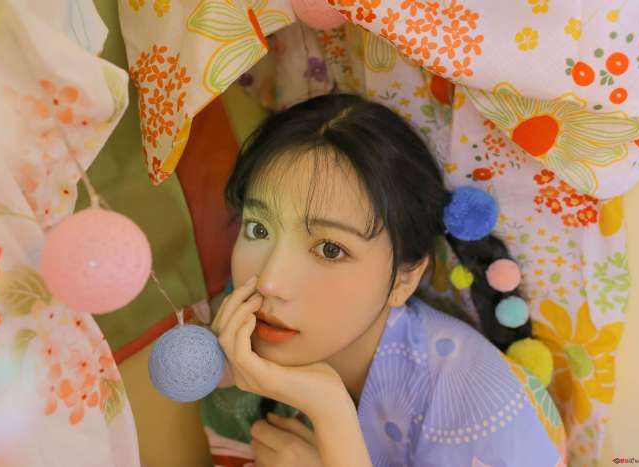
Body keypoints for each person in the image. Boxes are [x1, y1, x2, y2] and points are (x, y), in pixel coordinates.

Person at [200, 93, 565, 467]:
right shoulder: (236, 340)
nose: (270, 282)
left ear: (405, 279)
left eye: (330, 249)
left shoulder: (480, 405)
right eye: (258, 229)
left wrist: (331, 417)